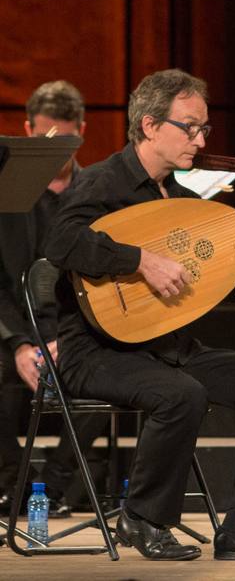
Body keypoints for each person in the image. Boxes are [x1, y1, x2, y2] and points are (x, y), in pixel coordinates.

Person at [43, 69, 235, 561]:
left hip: (169, 350)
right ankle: (142, 518)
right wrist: (139, 260)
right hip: (94, 353)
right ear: (149, 125)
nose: (202, 138)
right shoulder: (104, 180)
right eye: (190, 126)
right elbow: (59, 241)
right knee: (182, 393)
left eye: (204, 128)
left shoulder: (184, 201)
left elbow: (230, 262)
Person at [0, 81, 103, 516]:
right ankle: (11, 486)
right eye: (43, 137)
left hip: (73, 332)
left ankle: (56, 484)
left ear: (81, 131)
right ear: (26, 129)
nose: (54, 149)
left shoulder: (99, 193)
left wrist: (68, 338)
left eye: (64, 139)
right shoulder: (5, 195)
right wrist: (21, 345)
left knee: (123, 364)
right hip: (16, 331)